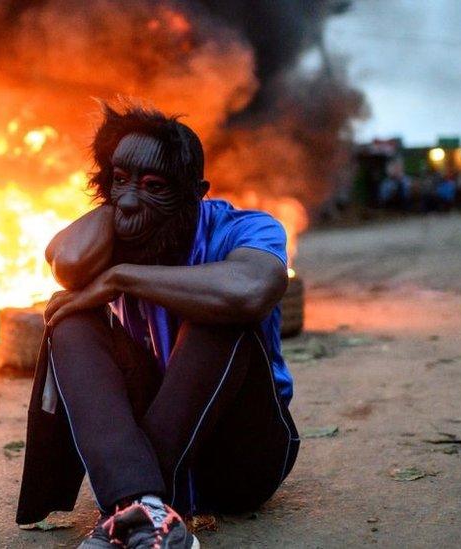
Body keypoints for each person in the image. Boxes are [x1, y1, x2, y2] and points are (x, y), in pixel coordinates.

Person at [16, 104, 298, 548]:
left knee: (220, 313)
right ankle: (141, 507)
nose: (129, 199)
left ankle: (139, 502)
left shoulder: (245, 228)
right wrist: (120, 196)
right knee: (71, 321)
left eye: (154, 186)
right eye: (119, 179)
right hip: (149, 451)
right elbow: (68, 264)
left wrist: (120, 276)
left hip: (240, 456)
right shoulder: (121, 223)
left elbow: (248, 290)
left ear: (195, 193)